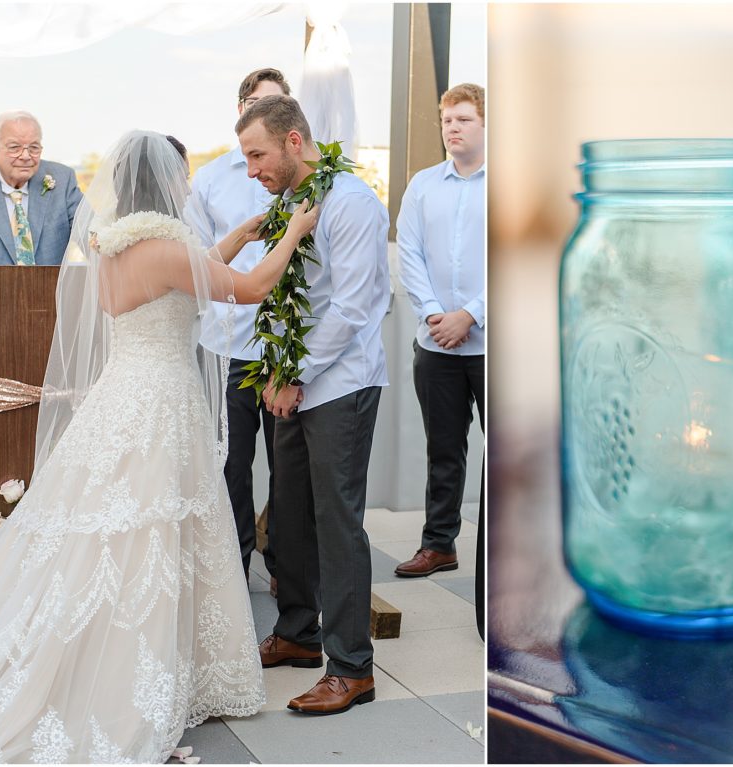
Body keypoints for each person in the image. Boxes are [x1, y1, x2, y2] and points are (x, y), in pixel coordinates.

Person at [0, 130, 321, 763]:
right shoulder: (164, 245)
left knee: (113, 531)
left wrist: (239, 239)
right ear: (164, 184)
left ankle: (155, 660)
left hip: (122, 395)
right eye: (180, 176)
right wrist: (295, 231)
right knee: (153, 533)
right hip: (161, 401)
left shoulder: (114, 245)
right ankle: (136, 671)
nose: (186, 186)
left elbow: (181, 280)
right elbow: (243, 291)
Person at [237, 96, 390, 716]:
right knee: (292, 515)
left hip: (342, 383)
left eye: (258, 155)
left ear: (294, 142)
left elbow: (353, 308)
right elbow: (287, 297)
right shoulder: (288, 205)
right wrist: (278, 368)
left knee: (337, 521)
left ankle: (351, 667)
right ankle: (298, 634)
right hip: (292, 380)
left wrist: (293, 374)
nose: (251, 170)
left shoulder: (350, 202)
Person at [184, 67, 291, 593]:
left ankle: (287, 573)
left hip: (286, 350)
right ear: (239, 109)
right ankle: (232, 571)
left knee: (289, 470)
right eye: (253, 102)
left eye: (273, 103)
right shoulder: (209, 179)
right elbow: (198, 262)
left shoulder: (307, 179)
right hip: (226, 346)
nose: (261, 111)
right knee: (231, 467)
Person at [395, 83, 485, 581]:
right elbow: (409, 254)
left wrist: (470, 315)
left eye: (464, 119)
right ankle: (439, 545)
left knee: (508, 454)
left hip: (493, 345)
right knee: (443, 450)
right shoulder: (423, 184)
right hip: (436, 345)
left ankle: (509, 551)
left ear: (487, 124)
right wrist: (435, 315)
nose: (452, 128)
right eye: (447, 120)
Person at [0, 110, 82, 265]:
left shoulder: (62, 179)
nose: (25, 156)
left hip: (48, 287)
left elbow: (91, 235)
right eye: (14, 147)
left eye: (33, 147)